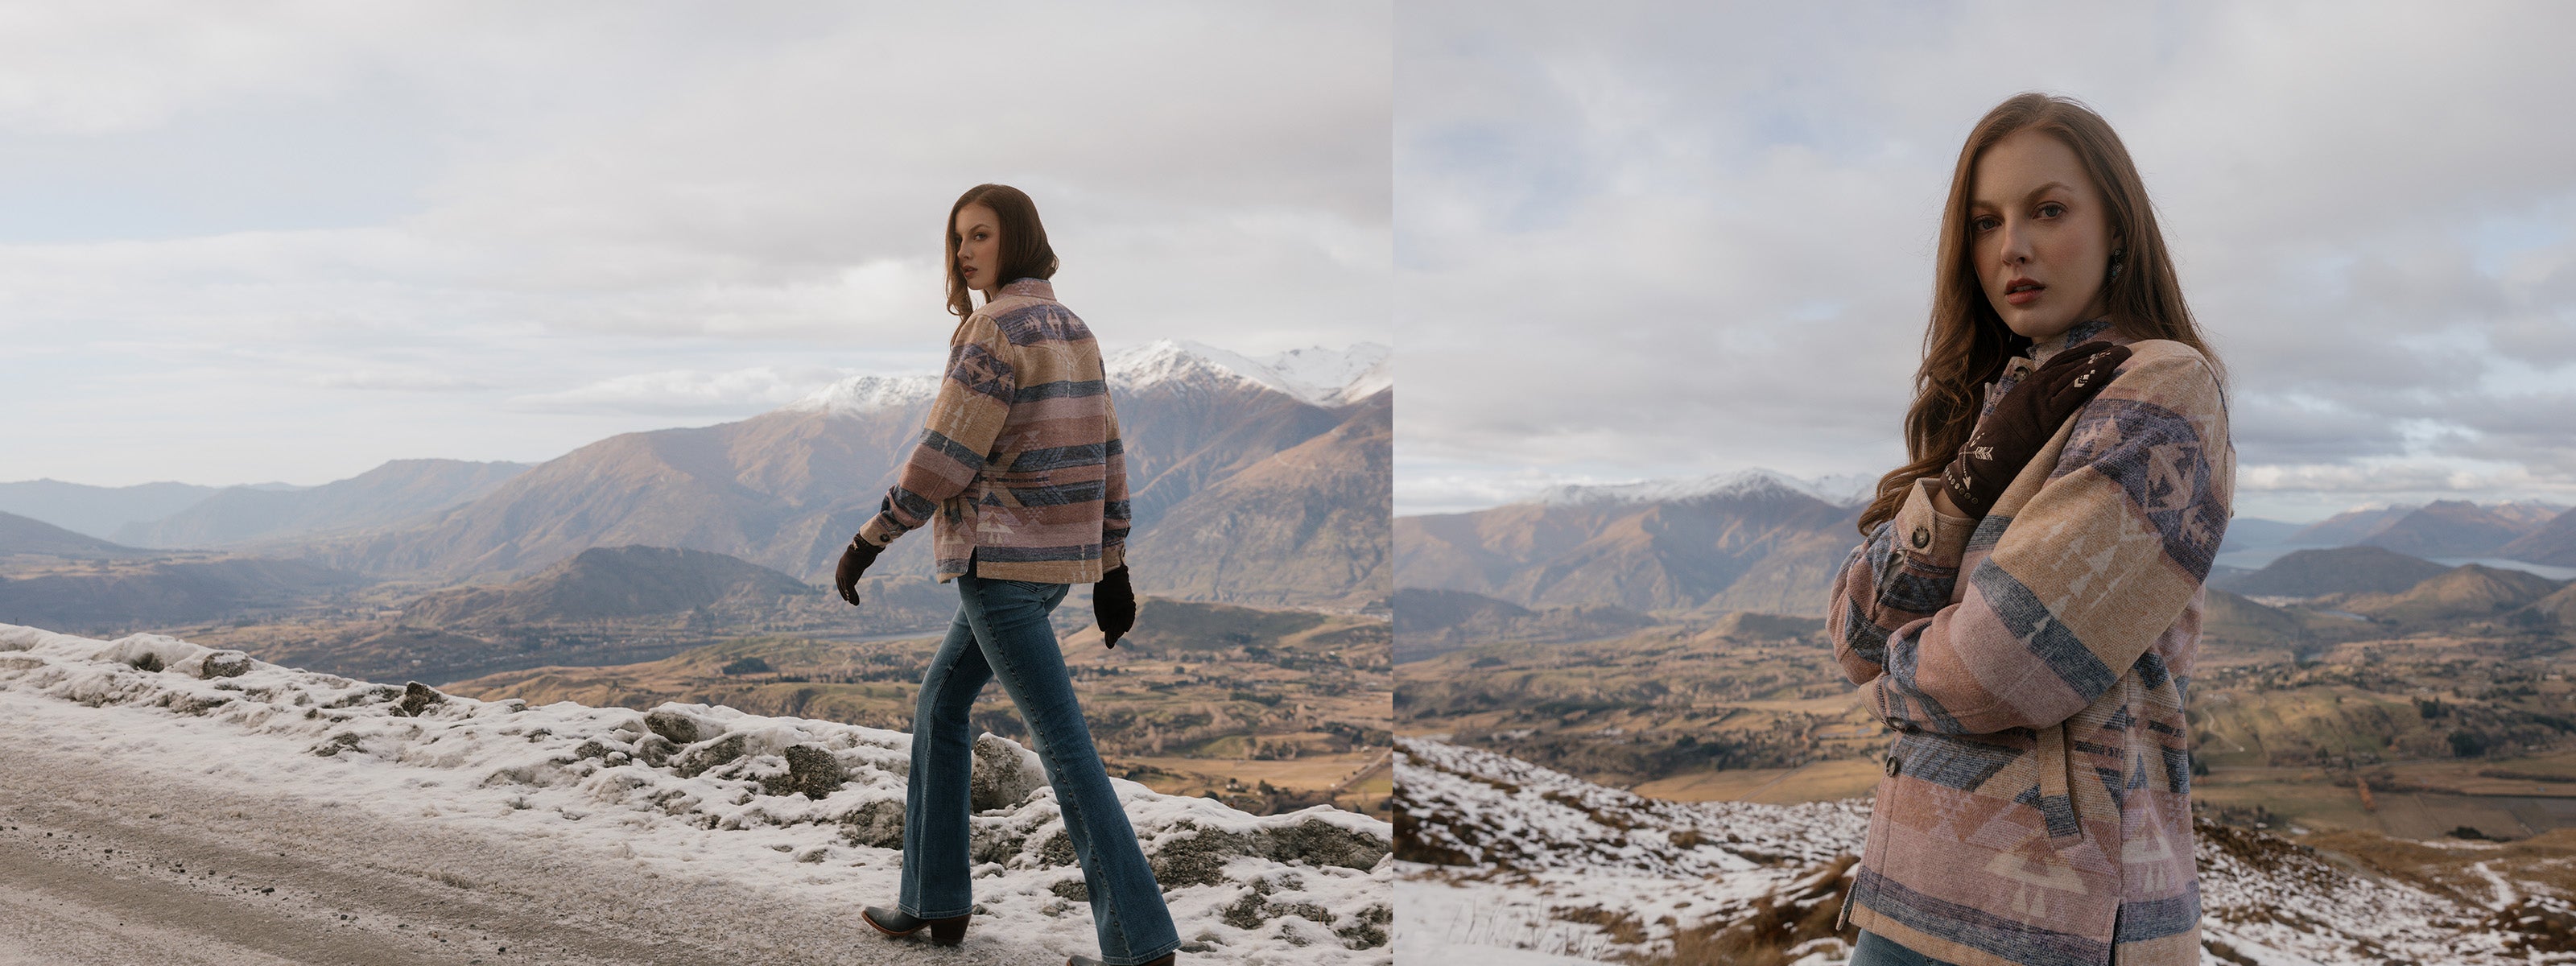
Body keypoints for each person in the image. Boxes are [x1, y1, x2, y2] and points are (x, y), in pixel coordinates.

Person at [1825, 93, 2235, 966]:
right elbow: (1854, 632)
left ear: (2116, 228)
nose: (2010, 246)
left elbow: (2007, 666)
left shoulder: (2162, 390)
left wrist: (1888, 696)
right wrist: (1967, 479)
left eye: (2046, 210)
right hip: (1909, 893)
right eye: (1983, 222)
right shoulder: (1997, 404)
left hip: (2061, 920)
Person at [839, 183, 1179, 966]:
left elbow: (943, 458)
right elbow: (1109, 451)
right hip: (1050, 568)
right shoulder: (1073, 329)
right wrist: (1110, 563)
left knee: (1061, 746)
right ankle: (935, 902)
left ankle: (1138, 944)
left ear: (1016, 239)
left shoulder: (990, 332)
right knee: (940, 707)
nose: (963, 251)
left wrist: (871, 537)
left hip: (996, 568)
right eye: (957, 237)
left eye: (980, 235)